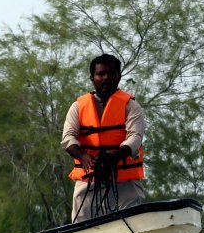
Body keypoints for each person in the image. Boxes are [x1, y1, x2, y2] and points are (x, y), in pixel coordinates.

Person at [61, 53, 146, 222]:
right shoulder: (78, 106)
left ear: (119, 77)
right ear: (92, 78)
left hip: (124, 181)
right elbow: (68, 137)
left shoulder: (131, 106)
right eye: (101, 74)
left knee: (132, 222)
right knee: (81, 226)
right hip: (89, 177)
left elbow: (135, 136)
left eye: (111, 74)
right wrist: (83, 156)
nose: (106, 78)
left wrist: (115, 157)